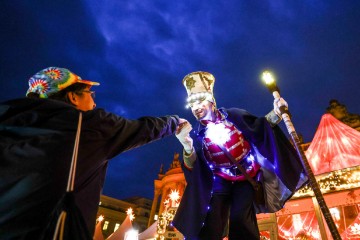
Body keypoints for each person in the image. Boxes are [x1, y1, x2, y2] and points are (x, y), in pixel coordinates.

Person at [0, 67, 187, 239]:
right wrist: (175, 122)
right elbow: (142, 129)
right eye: (90, 93)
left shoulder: (7, 123)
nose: (94, 102)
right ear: (73, 97)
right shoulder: (87, 126)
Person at [173, 71, 307, 240]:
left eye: (200, 101)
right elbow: (194, 167)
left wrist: (277, 112)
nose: (196, 108)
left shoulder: (233, 115)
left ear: (211, 101)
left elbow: (260, 126)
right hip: (219, 180)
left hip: (246, 176)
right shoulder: (197, 135)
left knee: (240, 218)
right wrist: (186, 145)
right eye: (192, 104)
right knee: (211, 220)